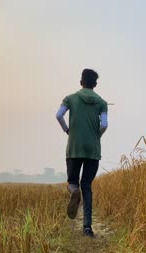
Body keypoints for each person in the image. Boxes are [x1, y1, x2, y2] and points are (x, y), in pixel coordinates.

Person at [56, 68, 108, 238]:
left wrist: (67, 131)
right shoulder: (101, 102)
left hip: (74, 147)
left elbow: (59, 115)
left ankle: (73, 190)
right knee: (87, 185)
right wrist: (96, 137)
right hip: (93, 149)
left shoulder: (70, 99)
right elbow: (104, 125)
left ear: (81, 82)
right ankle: (87, 228)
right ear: (95, 84)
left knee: (73, 181)